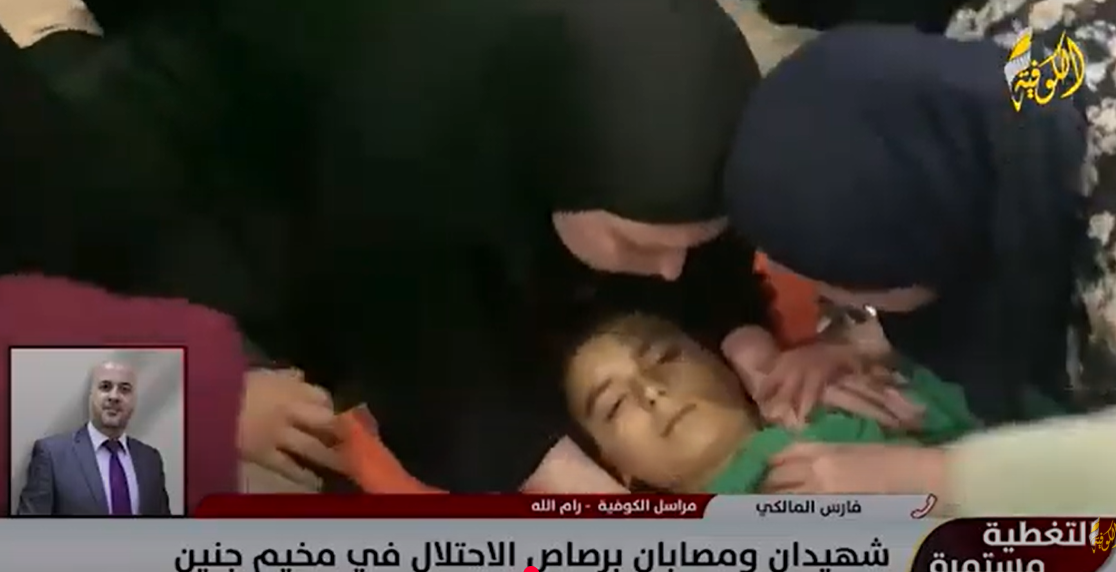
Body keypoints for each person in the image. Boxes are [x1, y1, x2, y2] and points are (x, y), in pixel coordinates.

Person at [14, 0, 786, 492]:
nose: (671, 272)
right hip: (217, 126)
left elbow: (687, 205)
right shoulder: (407, 147)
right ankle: (57, 43)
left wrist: (745, 333)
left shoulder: (637, 70)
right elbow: (422, 364)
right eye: (638, 244)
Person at [722, 21, 1116, 495]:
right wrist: (864, 341)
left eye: (833, 277)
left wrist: (930, 476)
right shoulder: (988, 62)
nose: (817, 291)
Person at [559, 314, 967, 493]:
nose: (651, 392)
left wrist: (909, 474)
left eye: (663, 358)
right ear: (617, 468)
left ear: (721, 364)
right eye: (614, 405)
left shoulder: (851, 396)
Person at [16, 361, 172, 516]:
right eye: (105, 387)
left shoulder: (150, 459)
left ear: (134, 400)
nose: (114, 396)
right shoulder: (52, 455)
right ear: (90, 396)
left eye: (124, 389)